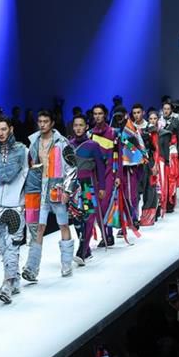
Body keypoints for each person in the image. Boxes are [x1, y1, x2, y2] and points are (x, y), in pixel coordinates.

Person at [22, 110, 77, 280]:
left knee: (63, 225)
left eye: (46, 121)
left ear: (52, 123)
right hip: (39, 189)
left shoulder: (62, 142)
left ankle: (66, 263)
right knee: (38, 227)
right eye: (40, 121)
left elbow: (72, 167)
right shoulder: (34, 142)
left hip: (57, 187)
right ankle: (32, 269)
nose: (42, 124)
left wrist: (67, 190)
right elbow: (30, 167)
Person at [0, 116, 29, 303]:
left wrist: (27, 202)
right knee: (3, 247)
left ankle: (7, 283)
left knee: (12, 245)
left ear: (11, 129)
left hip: (16, 204)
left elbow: (28, 177)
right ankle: (14, 280)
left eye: (4, 129)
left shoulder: (23, 151)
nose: (1, 133)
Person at [69, 113, 106, 266]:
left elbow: (100, 167)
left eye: (81, 125)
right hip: (72, 185)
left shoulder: (93, 145)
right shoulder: (68, 145)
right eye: (75, 125)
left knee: (89, 217)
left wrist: (102, 187)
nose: (78, 128)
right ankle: (87, 250)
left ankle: (82, 251)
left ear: (86, 127)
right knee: (76, 218)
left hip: (87, 184)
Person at [90, 104, 122, 247]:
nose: (97, 116)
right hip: (94, 175)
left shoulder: (113, 133)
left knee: (105, 205)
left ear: (105, 115)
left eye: (100, 113)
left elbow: (119, 156)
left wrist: (119, 175)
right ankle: (105, 236)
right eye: (95, 114)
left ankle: (109, 235)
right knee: (97, 207)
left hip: (109, 173)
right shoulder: (90, 134)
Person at [159, 102, 179, 214]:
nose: (166, 111)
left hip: (172, 153)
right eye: (164, 109)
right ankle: (162, 203)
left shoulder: (176, 122)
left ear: (171, 110)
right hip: (161, 154)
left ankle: (170, 203)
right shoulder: (158, 122)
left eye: (168, 109)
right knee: (162, 179)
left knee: (171, 178)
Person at [137, 111, 161, 226]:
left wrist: (155, 164)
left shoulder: (151, 129)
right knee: (136, 191)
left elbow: (156, 148)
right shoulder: (130, 129)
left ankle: (148, 217)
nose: (136, 115)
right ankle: (135, 217)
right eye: (134, 113)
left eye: (138, 112)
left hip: (150, 162)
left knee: (150, 189)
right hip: (136, 163)